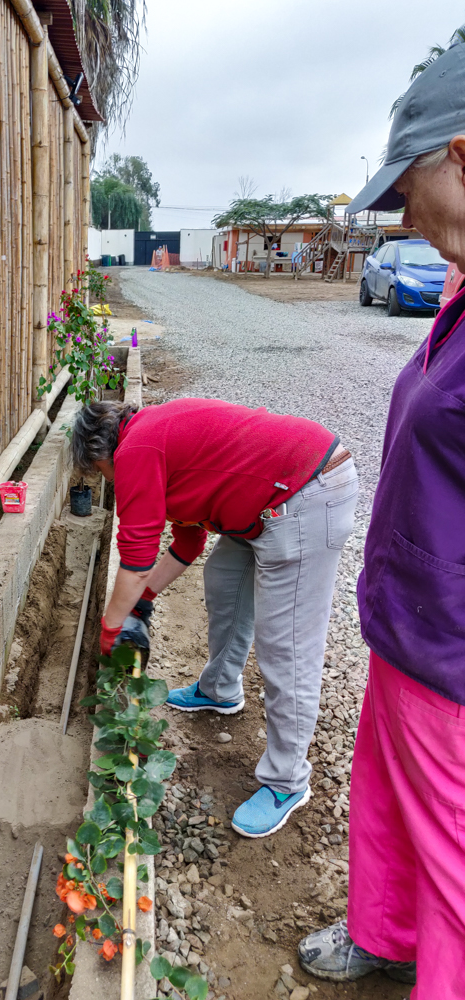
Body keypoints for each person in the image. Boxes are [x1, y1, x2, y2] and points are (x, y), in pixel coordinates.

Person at [298, 41, 465, 998]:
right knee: (388, 801)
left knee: (455, 860)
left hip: (455, 654)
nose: (402, 219)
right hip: (409, 622)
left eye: (407, 190)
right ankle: (383, 933)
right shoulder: (459, 287)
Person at [71, 397, 358, 838]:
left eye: (99, 472)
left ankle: (287, 782)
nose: (106, 481)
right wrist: (142, 599)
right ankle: (220, 689)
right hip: (266, 500)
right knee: (225, 581)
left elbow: (136, 556)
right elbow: (187, 543)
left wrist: (111, 626)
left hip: (304, 493)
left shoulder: (137, 451)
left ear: (100, 454)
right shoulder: (153, 440)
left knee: (287, 646)